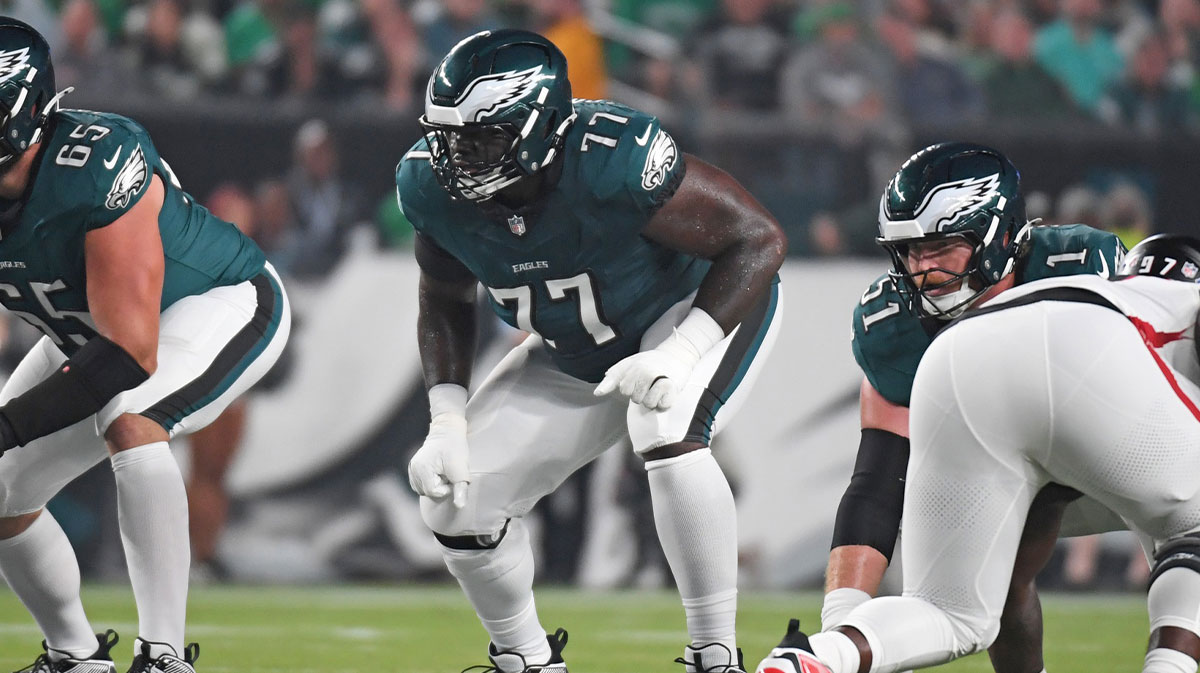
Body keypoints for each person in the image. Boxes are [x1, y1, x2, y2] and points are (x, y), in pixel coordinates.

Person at [396, 29, 786, 673]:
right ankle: (526, 659)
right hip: (574, 352)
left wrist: (684, 349)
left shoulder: (612, 159)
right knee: (455, 502)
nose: (454, 158)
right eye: (446, 136)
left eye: (479, 137)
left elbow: (758, 239)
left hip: (689, 314)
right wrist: (446, 417)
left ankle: (714, 656)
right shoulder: (431, 188)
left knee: (665, 430)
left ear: (538, 125)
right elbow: (444, 297)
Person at [756, 233, 1200, 673]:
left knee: (950, 614)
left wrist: (841, 619)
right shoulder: (1176, 303)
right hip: (1088, 350)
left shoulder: (1105, 290)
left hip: (952, 354)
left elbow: (873, 486)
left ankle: (819, 656)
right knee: (1189, 527)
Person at [0, 18, 291, 673]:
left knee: (133, 420)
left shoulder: (94, 161)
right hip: (88, 331)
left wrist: (9, 423)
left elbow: (130, 350)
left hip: (217, 302)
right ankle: (75, 653)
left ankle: (163, 654)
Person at [819, 141, 1125, 673]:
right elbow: (877, 482)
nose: (922, 269)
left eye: (941, 248)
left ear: (1000, 237)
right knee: (994, 585)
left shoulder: (1083, 271)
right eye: (911, 251)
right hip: (1026, 469)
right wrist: (838, 627)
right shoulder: (893, 327)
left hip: (1126, 447)